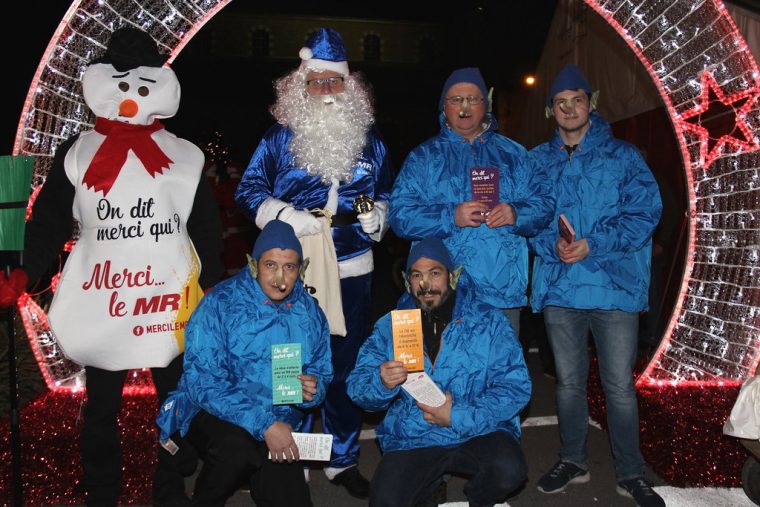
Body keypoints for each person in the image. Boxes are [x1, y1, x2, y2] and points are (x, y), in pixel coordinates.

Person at [0, 28, 224, 506]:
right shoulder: (79, 154)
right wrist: (23, 270)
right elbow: (50, 222)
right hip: (105, 298)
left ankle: (169, 490)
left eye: (140, 88)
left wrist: (211, 293)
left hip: (170, 303)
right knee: (100, 409)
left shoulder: (184, 156)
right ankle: (101, 493)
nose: (129, 99)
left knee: (174, 405)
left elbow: (205, 232)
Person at [234, 27, 394, 497]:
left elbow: (386, 191)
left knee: (344, 364)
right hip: (293, 269)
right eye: (317, 82)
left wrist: (379, 216)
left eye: (335, 82)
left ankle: (341, 457)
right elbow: (248, 192)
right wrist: (286, 216)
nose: (326, 91)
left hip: (353, 266)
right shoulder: (278, 138)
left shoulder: (371, 139)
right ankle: (294, 454)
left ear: (350, 87)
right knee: (291, 362)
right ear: (300, 87)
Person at [529, 64, 664, 507]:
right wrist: (554, 247)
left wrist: (593, 244)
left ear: (591, 104)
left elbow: (646, 212)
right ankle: (573, 460)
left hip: (613, 287)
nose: (569, 110)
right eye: (561, 103)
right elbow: (528, 219)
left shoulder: (623, 156)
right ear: (552, 110)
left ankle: (631, 472)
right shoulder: (537, 160)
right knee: (568, 383)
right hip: (561, 288)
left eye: (577, 101)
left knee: (618, 386)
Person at [156, 219, 333, 506]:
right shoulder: (220, 303)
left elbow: (321, 370)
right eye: (270, 265)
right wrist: (264, 425)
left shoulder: (310, 312)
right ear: (254, 265)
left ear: (302, 268)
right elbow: (204, 382)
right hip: (212, 412)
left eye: (289, 267)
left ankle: (258, 469)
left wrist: (313, 390)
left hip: (277, 420)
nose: (281, 278)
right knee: (236, 449)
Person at [347, 238, 531, 507]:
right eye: (417, 275)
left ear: (452, 276)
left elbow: (516, 387)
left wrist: (457, 416)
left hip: (477, 429)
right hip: (416, 435)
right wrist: (380, 382)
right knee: (384, 501)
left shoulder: (488, 320)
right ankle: (428, 487)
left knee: (509, 470)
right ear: (406, 280)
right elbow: (357, 387)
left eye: (435, 273)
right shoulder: (391, 325)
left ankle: (481, 499)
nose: (425, 285)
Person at [388, 67, 554, 335]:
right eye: (456, 100)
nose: (465, 107)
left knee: (500, 371)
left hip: (500, 291)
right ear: (444, 107)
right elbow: (399, 215)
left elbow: (544, 203)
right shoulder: (423, 158)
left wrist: (516, 213)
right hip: (441, 292)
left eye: (473, 99)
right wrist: (450, 216)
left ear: (485, 105)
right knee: (440, 372)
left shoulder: (515, 155)